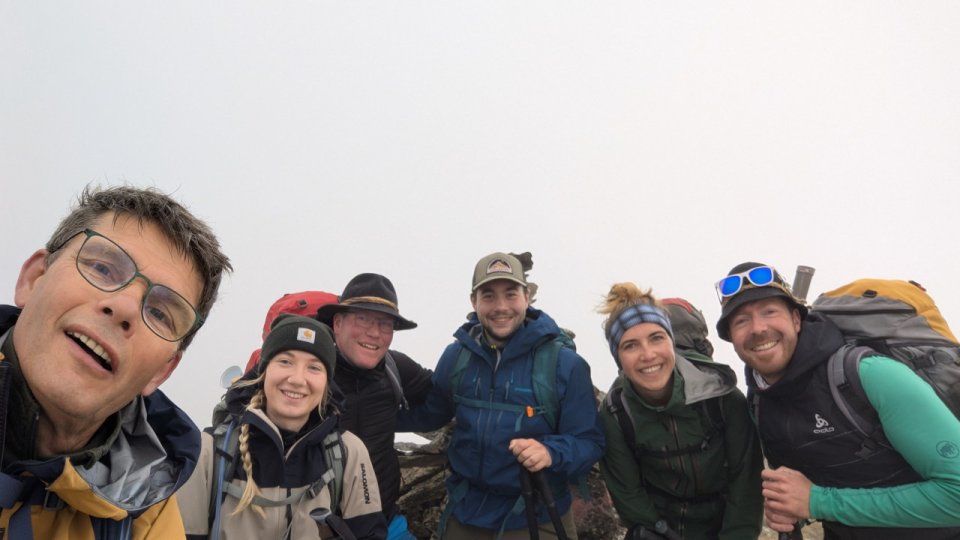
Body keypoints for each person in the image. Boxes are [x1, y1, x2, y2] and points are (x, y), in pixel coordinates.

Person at [0, 185, 231, 538]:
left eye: (160, 313)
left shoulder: (146, 512)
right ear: (34, 279)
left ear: (161, 371)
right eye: (102, 268)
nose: (124, 308)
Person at [715, 261, 960, 539]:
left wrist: (817, 502)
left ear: (797, 320)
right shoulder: (760, 401)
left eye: (769, 312)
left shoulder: (868, 375)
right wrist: (790, 506)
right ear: (731, 338)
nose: (758, 328)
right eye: (741, 321)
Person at [398, 252, 605, 539]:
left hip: (537, 514)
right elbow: (431, 413)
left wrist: (550, 452)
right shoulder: (457, 357)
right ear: (474, 302)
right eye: (488, 296)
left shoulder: (564, 364)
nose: (501, 307)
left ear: (527, 297)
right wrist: (371, 414)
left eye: (511, 294)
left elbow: (589, 442)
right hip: (467, 513)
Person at [178, 315, 386, 539]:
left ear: (327, 382)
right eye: (285, 361)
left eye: (314, 367)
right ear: (264, 371)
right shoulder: (208, 452)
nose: (297, 379)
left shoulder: (348, 452)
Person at [596, 284, 763, 539]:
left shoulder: (722, 396)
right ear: (618, 358)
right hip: (658, 529)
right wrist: (659, 531)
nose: (648, 355)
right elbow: (628, 494)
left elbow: (746, 482)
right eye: (630, 345)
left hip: (723, 525)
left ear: (671, 342)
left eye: (656, 338)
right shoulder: (616, 413)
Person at [316, 273, 433, 540]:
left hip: (386, 524)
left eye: (385, 324)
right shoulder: (310, 373)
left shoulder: (395, 368)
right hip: (318, 529)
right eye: (363, 319)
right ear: (337, 323)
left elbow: (444, 395)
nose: (375, 332)